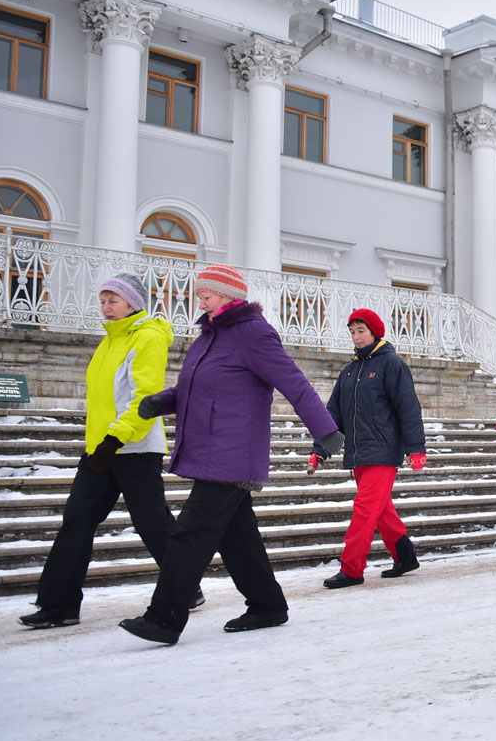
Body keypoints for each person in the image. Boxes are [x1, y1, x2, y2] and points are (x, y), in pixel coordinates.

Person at [120, 265, 342, 644]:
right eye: (200, 293)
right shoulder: (209, 336)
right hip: (211, 449)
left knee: (189, 534)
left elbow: (293, 381)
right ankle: (267, 604)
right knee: (237, 537)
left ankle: (163, 619)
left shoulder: (252, 332)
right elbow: (196, 387)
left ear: (228, 295)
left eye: (207, 293)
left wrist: (326, 432)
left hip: (234, 452)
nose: (200, 299)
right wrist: (160, 402)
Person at [19, 274, 202, 628]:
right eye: (103, 300)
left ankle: (185, 585)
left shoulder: (148, 337)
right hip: (100, 449)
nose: (106, 308)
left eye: (113, 301)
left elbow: (144, 396)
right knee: (77, 519)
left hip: (134, 447)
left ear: (133, 303)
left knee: (151, 522)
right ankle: (59, 605)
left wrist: (116, 439)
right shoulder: (109, 340)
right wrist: (99, 444)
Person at [312, 309, 426, 588]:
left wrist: (416, 447)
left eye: (361, 330)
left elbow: (408, 407)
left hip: (383, 450)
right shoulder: (350, 370)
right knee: (380, 508)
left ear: (374, 332)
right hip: (358, 450)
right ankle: (405, 554)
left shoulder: (391, 364)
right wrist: (320, 449)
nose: (356, 337)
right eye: (352, 332)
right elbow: (333, 413)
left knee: (364, 509)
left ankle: (351, 568)